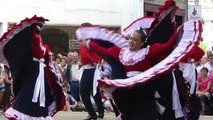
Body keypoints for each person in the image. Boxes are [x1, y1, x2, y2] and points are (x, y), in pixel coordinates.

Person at [77, 1, 204, 119]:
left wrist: (180, 32)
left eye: (135, 40)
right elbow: (104, 52)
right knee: (130, 113)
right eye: (130, 39)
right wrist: (89, 44)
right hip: (128, 88)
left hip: (144, 88)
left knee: (145, 113)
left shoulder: (148, 52)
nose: (131, 42)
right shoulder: (121, 52)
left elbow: (167, 46)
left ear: (142, 43)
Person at [0, 16, 65, 120]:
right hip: (34, 70)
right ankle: (28, 111)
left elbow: (42, 54)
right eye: (39, 27)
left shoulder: (37, 39)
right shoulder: (31, 37)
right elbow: (34, 52)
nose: (40, 29)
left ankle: (37, 111)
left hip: (39, 70)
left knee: (39, 92)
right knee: (30, 90)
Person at [79, 23, 105, 120]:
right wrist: (96, 62)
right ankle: (101, 112)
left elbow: (85, 56)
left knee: (84, 92)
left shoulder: (84, 42)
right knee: (95, 91)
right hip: (94, 69)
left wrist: (93, 62)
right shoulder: (94, 42)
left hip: (88, 69)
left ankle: (92, 113)